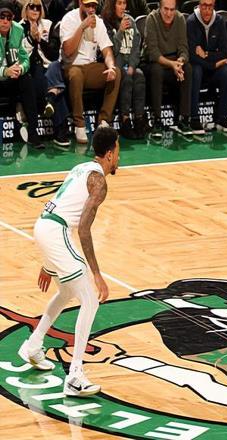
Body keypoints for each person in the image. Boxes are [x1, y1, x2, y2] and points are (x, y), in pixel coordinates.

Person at [17, 126, 120, 398]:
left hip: (44, 225)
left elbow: (63, 208)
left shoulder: (81, 168)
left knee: (66, 291)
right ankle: (75, 376)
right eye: (118, 151)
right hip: (55, 232)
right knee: (90, 299)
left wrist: (49, 262)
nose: (119, 157)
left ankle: (33, 345)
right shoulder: (99, 182)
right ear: (110, 154)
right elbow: (83, 229)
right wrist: (96, 274)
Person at [60, 0, 121, 144]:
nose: (91, 9)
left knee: (116, 72)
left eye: (94, 6)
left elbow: (107, 50)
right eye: (88, 5)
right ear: (80, 3)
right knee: (76, 75)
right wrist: (82, 26)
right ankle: (79, 125)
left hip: (91, 67)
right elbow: (68, 51)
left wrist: (111, 67)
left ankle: (103, 122)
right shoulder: (69, 19)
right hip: (72, 66)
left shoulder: (98, 22)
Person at [20, 0, 71, 146]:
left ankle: (50, 98)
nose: (35, 10)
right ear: (26, 9)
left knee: (54, 66)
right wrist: (31, 39)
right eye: (32, 7)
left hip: (49, 65)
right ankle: (61, 127)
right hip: (31, 67)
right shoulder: (18, 27)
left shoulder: (48, 25)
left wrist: (40, 40)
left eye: (38, 7)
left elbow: (54, 54)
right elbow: (22, 55)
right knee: (44, 79)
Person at [144, 0, 193, 136]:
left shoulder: (180, 18)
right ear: (159, 8)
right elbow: (153, 53)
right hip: (155, 61)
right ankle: (157, 120)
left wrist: (180, 62)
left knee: (188, 68)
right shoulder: (151, 19)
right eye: (166, 9)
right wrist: (172, 65)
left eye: (172, 10)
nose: (169, 13)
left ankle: (184, 119)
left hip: (174, 61)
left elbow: (184, 48)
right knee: (157, 71)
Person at [187, 0, 227, 133]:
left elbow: (224, 52)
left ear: (214, 6)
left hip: (212, 69)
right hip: (199, 68)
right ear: (199, 5)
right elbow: (192, 55)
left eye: (210, 6)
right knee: (195, 69)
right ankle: (194, 118)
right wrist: (213, 64)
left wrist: (206, 54)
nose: (207, 10)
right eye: (204, 5)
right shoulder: (191, 22)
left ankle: (222, 118)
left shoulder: (219, 21)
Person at [0, 0, 43, 148]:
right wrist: (5, 71)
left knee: (27, 78)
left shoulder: (18, 30)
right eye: (2, 17)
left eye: (9, 17)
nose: (5, 21)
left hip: (12, 77)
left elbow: (25, 59)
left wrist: (20, 69)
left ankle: (33, 133)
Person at [102, 0, 147, 139]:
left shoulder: (131, 21)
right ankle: (125, 120)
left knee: (139, 76)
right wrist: (120, 31)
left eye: (124, 3)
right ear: (112, 5)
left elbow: (136, 47)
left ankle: (139, 119)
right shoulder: (106, 23)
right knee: (126, 78)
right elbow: (111, 51)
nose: (123, 7)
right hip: (116, 65)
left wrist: (133, 65)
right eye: (119, 3)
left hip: (130, 65)